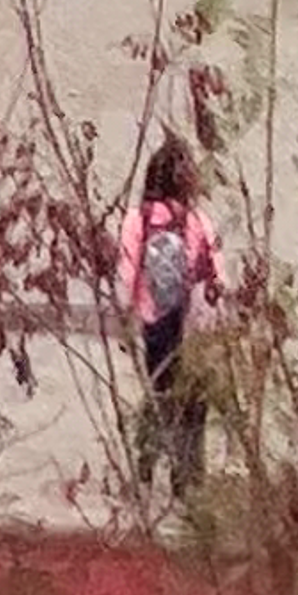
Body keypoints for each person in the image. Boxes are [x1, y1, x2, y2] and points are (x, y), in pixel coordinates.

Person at [113, 134, 225, 493]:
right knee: (194, 401)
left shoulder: (138, 220)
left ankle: (145, 465)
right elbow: (218, 279)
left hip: (155, 323)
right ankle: (188, 476)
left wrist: (125, 320)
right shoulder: (200, 223)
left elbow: (127, 274)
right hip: (195, 327)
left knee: (160, 394)